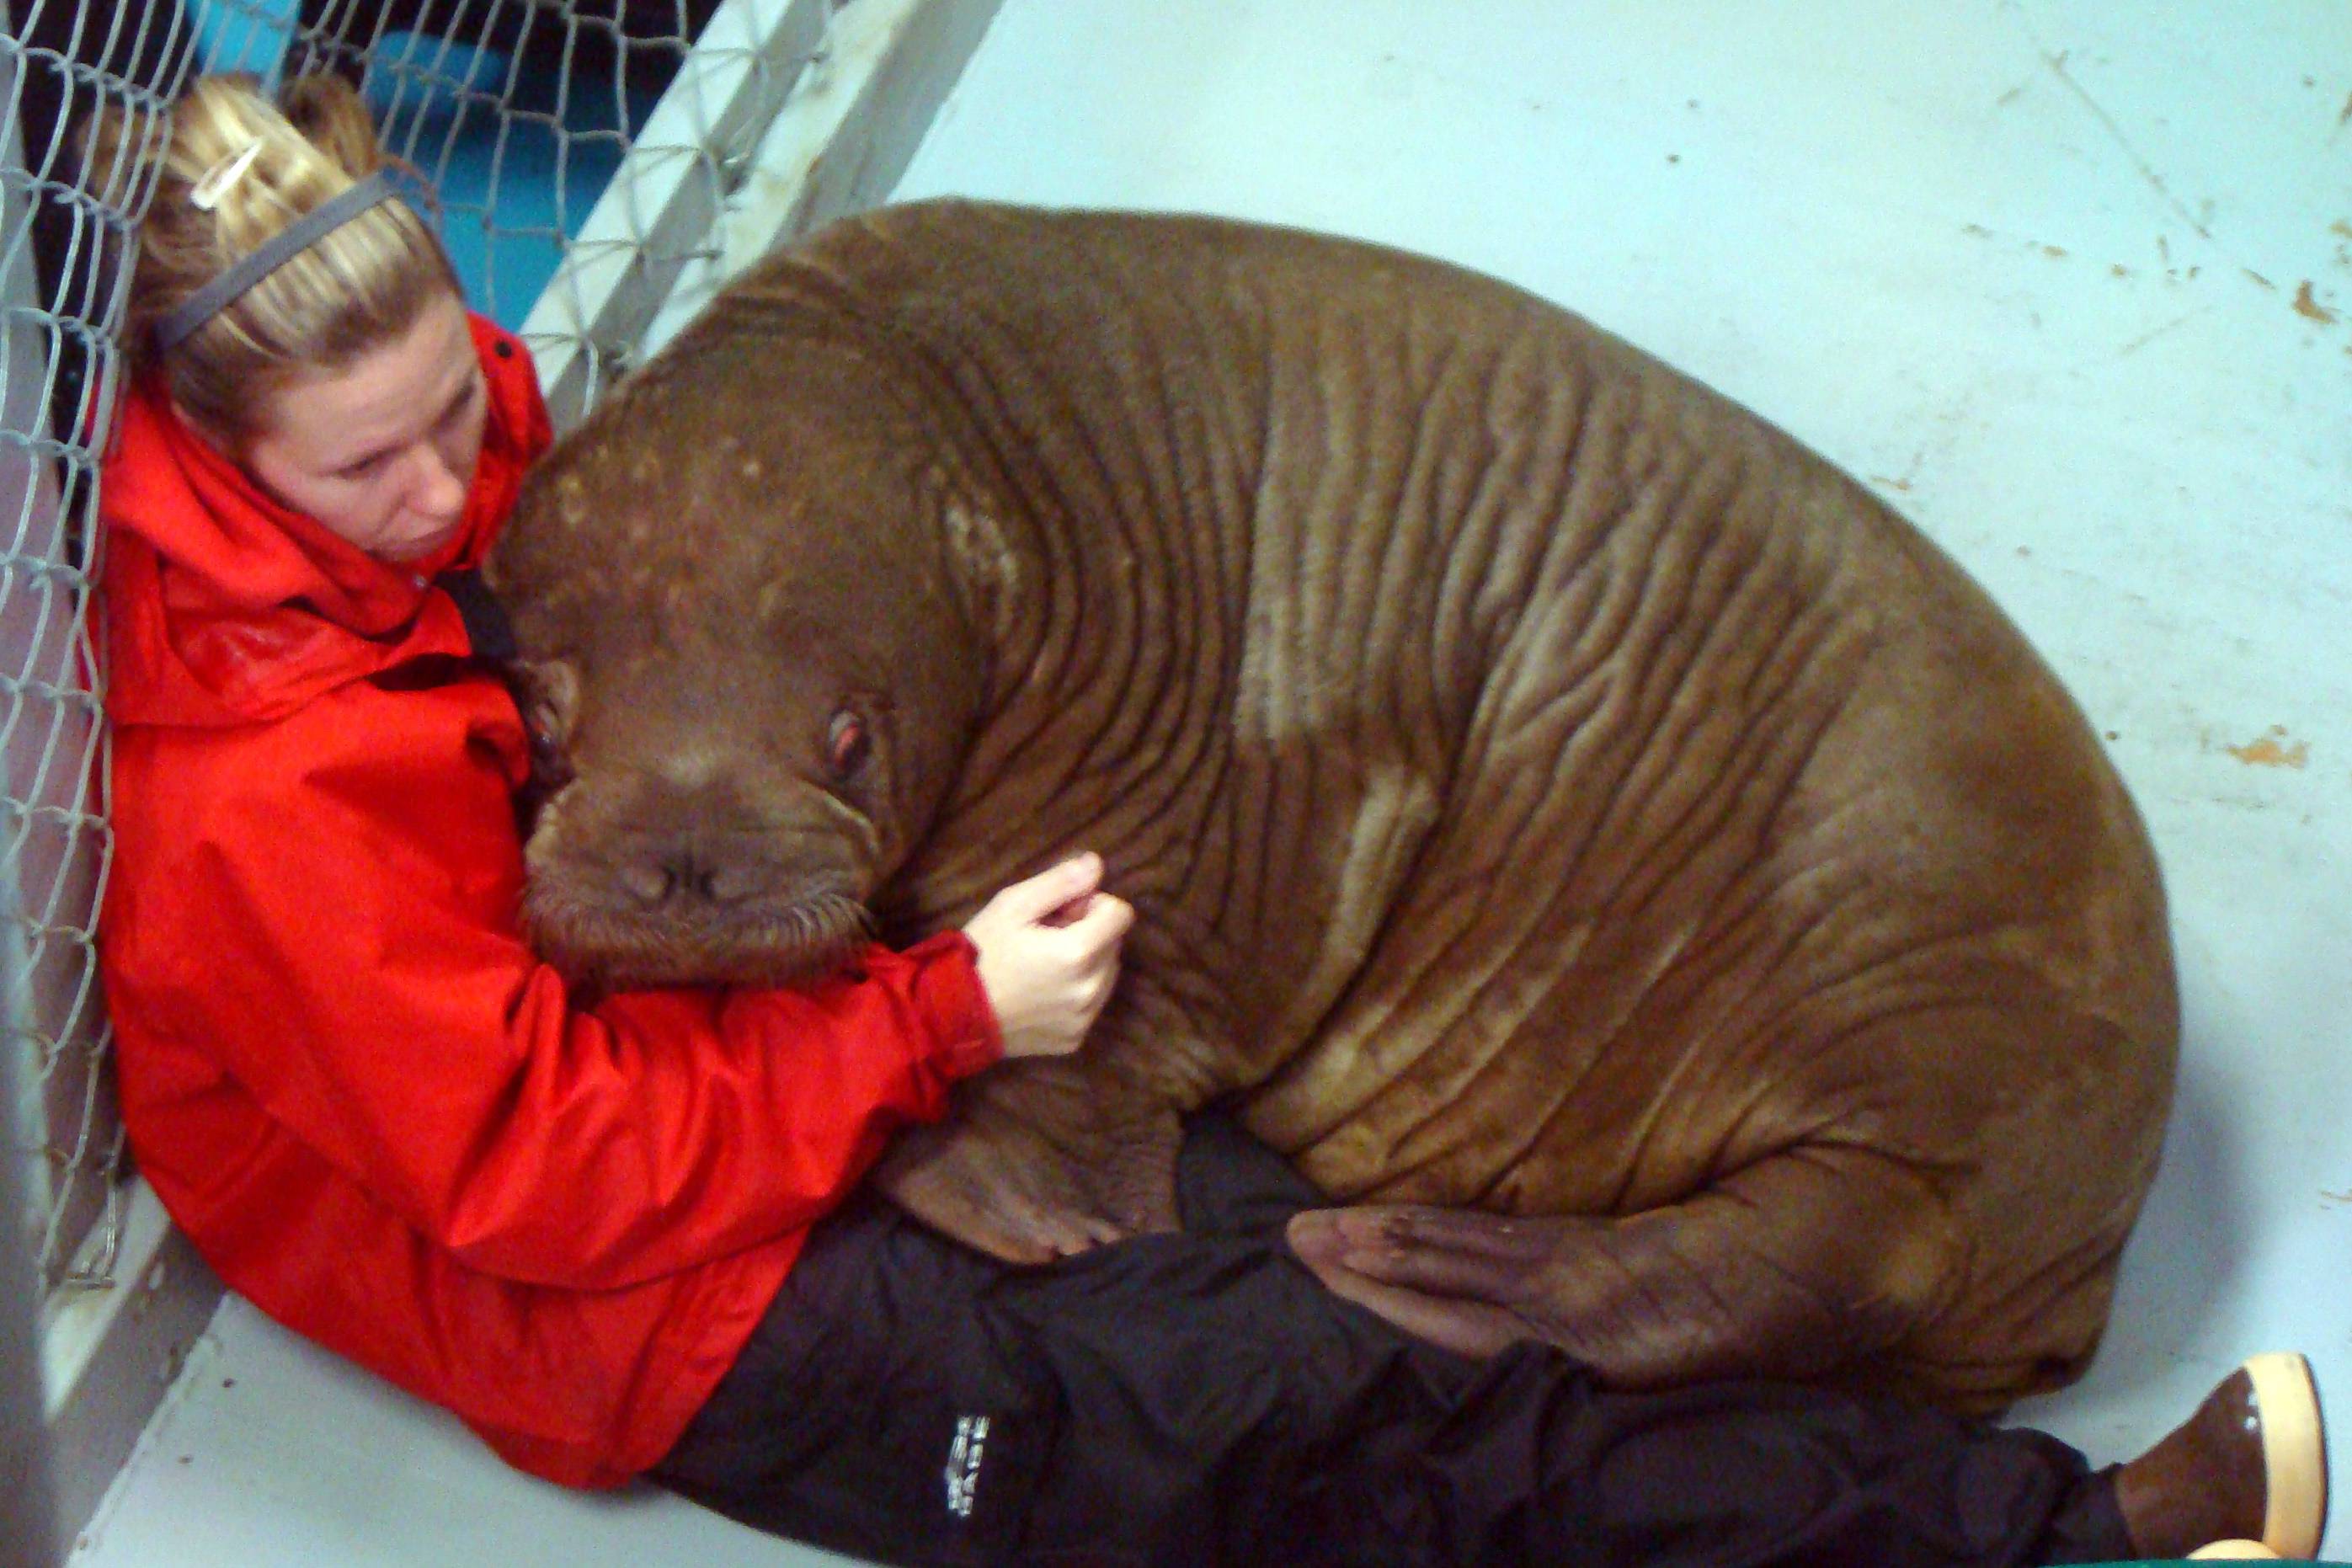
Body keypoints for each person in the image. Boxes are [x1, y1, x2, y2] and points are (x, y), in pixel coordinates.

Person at [84, 72, 2328, 1567]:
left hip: (758, 1098)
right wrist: (940, 1026)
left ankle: (1914, 1387)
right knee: (1291, 1414)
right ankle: (2068, 1537)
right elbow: (549, 1174)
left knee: (1338, 1266)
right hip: (662, 1311)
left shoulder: (422, 513)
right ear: (216, 452)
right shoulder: (254, 813)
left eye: (439, 426)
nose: (442, 492)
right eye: (362, 467)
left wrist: (936, 1016)